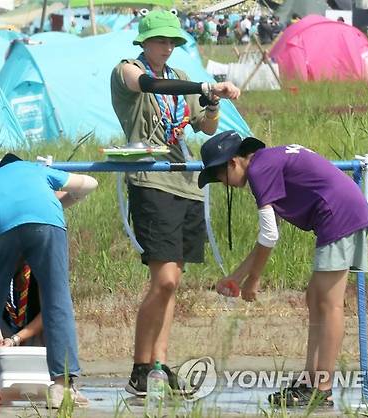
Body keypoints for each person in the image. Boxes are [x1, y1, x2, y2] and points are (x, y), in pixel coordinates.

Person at [109, 9, 241, 397]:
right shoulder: (127, 70)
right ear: (144, 42)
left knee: (173, 283)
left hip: (187, 183)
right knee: (163, 279)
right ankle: (140, 365)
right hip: (150, 180)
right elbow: (148, 85)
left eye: (172, 42)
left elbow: (206, 126)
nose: (167, 47)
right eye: (161, 40)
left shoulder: (182, 78)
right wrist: (204, 86)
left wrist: (213, 100)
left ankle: (160, 363)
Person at [199, 131, 368, 407]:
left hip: (339, 214)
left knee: (330, 304)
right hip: (342, 210)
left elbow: (268, 236)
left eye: (219, 178)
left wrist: (253, 280)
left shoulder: (259, 170)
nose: (223, 184)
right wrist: (236, 277)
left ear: (232, 163)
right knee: (315, 298)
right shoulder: (267, 161)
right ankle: (310, 379)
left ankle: (322, 387)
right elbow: (271, 231)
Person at [0, 154, 98, 409]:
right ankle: (61, 387)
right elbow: (89, 184)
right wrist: (57, 202)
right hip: (45, 220)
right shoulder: (34, 169)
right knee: (56, 300)